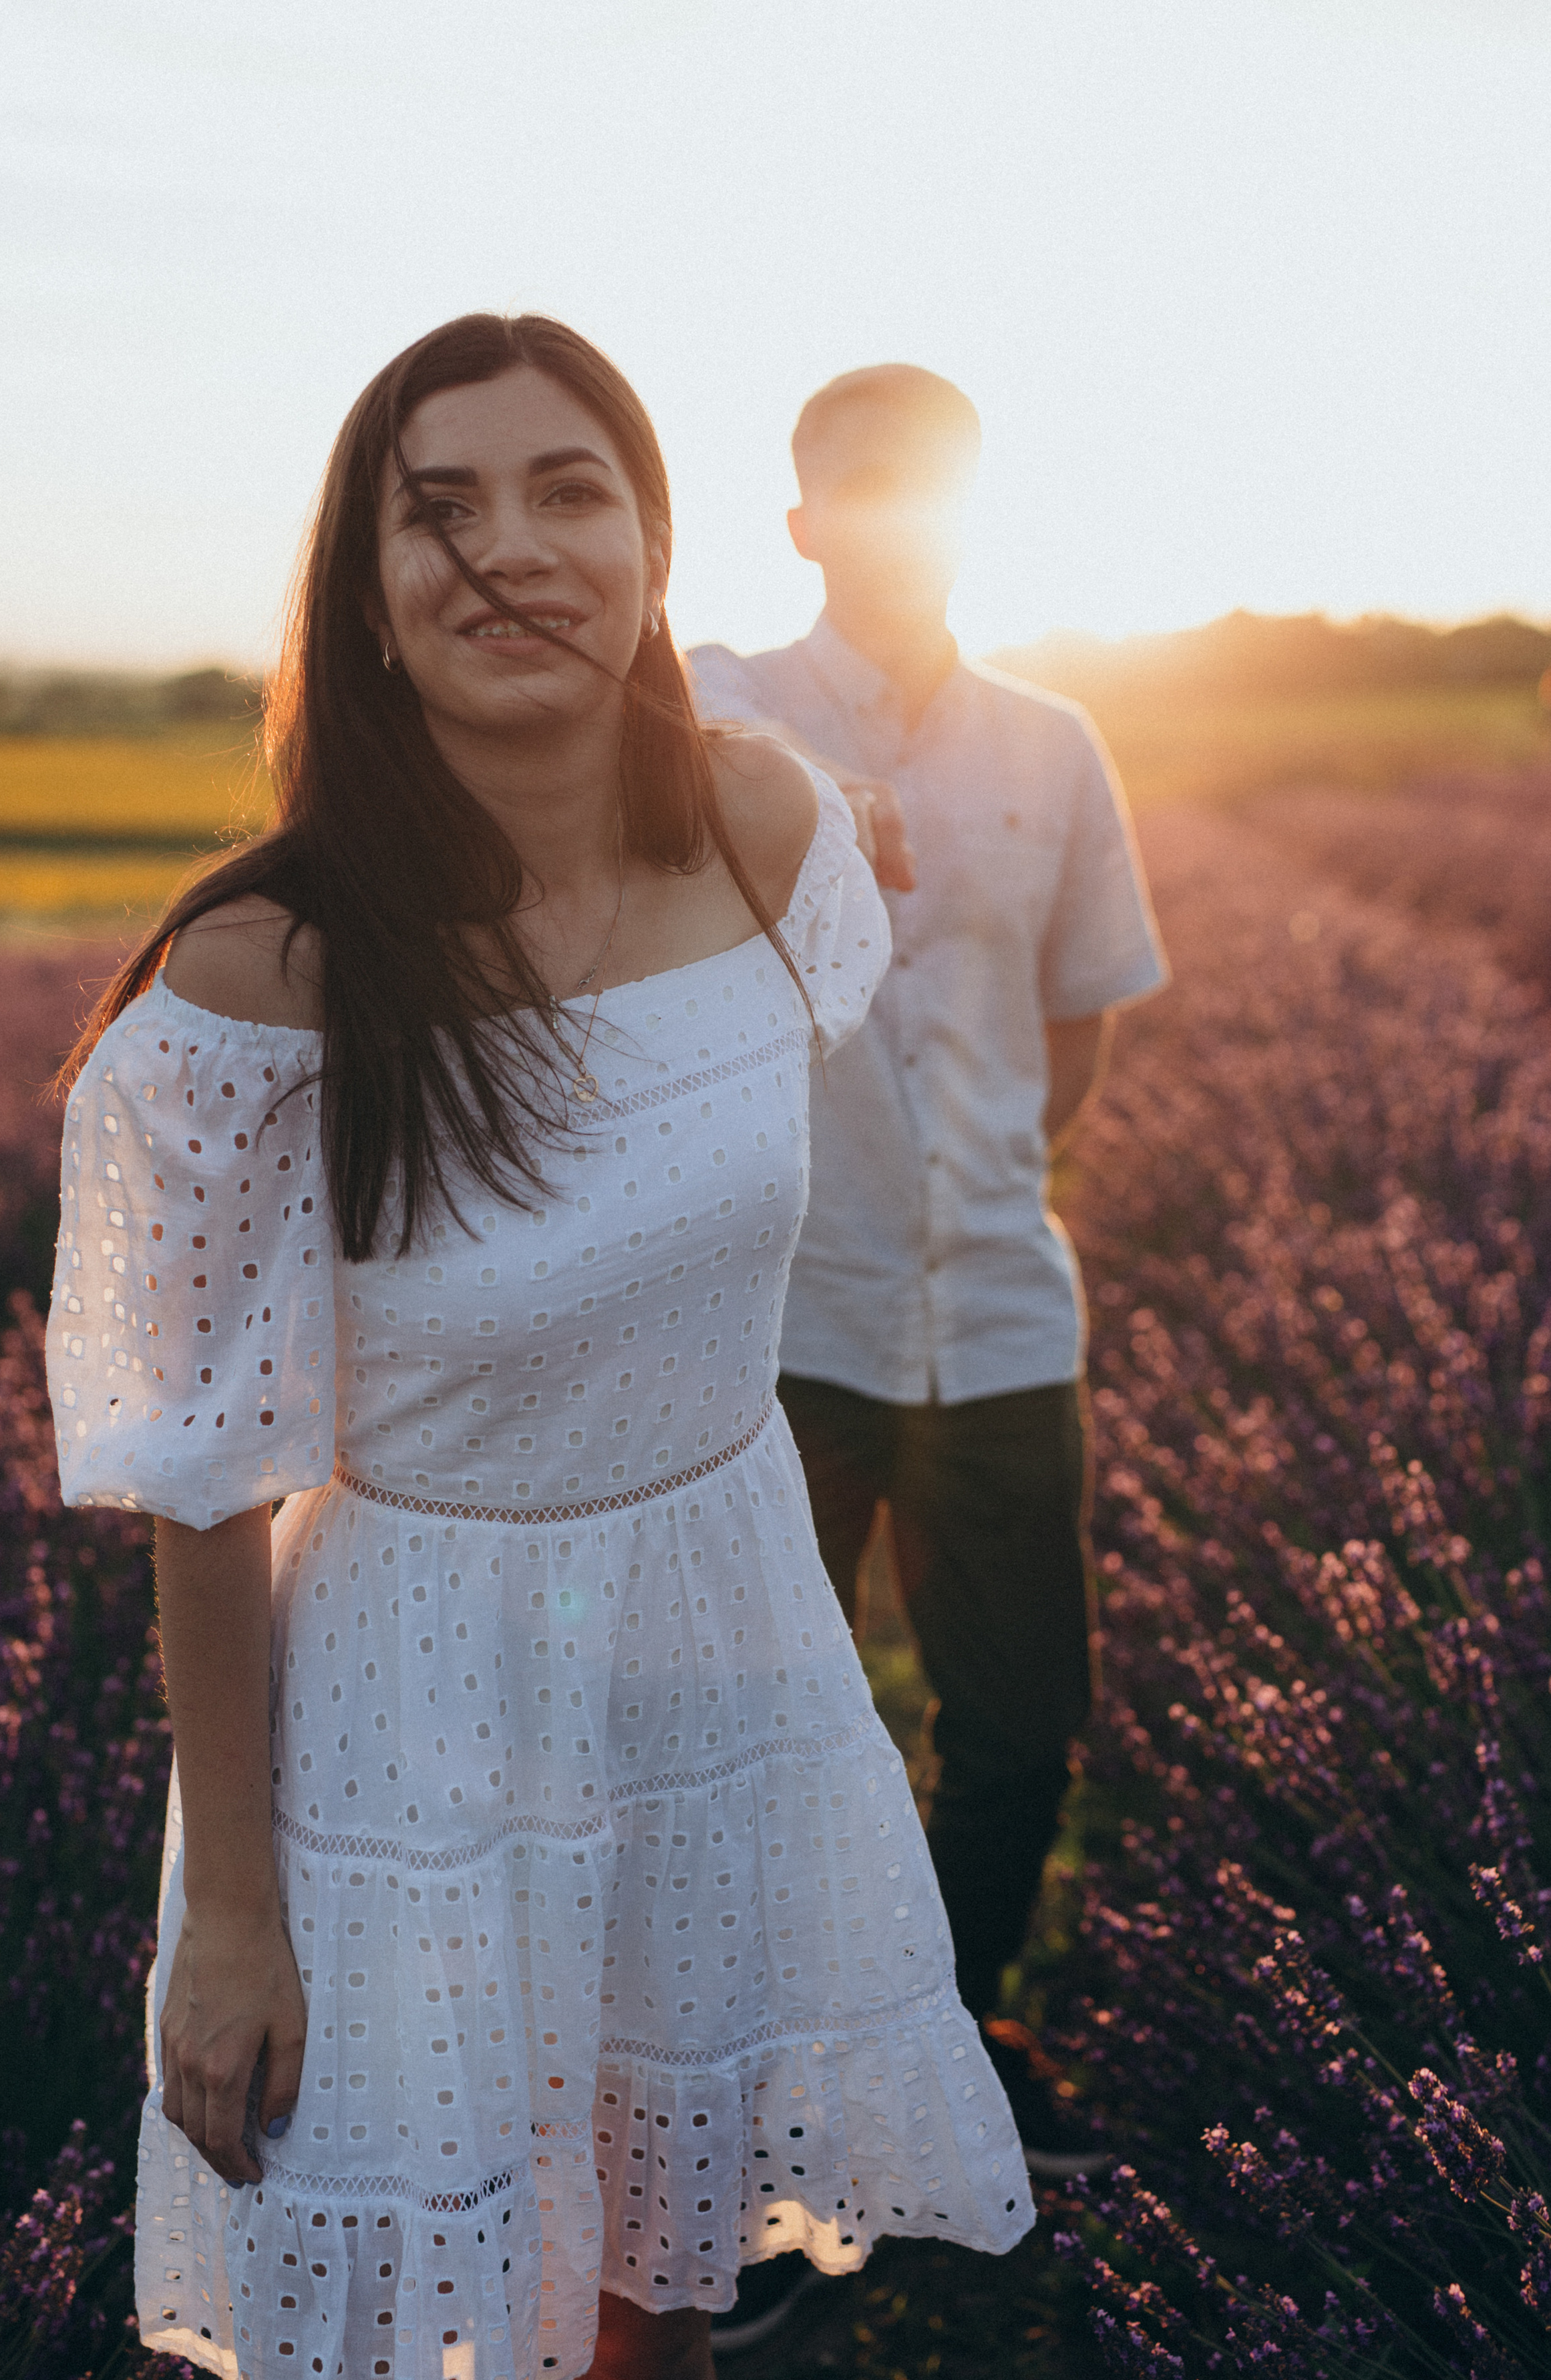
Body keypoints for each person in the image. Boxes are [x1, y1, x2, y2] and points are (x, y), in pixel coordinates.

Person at [47, 317, 1031, 2380]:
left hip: (721, 1668)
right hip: (407, 1715)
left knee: (652, 2329)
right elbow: (206, 1480)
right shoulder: (266, 975)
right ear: (365, 590)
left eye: (567, 490)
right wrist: (237, 1922)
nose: (511, 551)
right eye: (441, 507)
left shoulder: (773, 832)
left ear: (655, 543)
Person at [688, 366, 1166, 2211]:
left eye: (929, 488)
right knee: (763, 1729)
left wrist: (988, 1177)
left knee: (1024, 1718)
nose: (892, 519)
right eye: (857, 489)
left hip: (996, 1305)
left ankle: (953, 2032)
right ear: (802, 523)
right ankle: (777, 2082)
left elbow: (1082, 1011)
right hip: (780, 1321)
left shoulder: (1053, 743)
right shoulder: (721, 706)